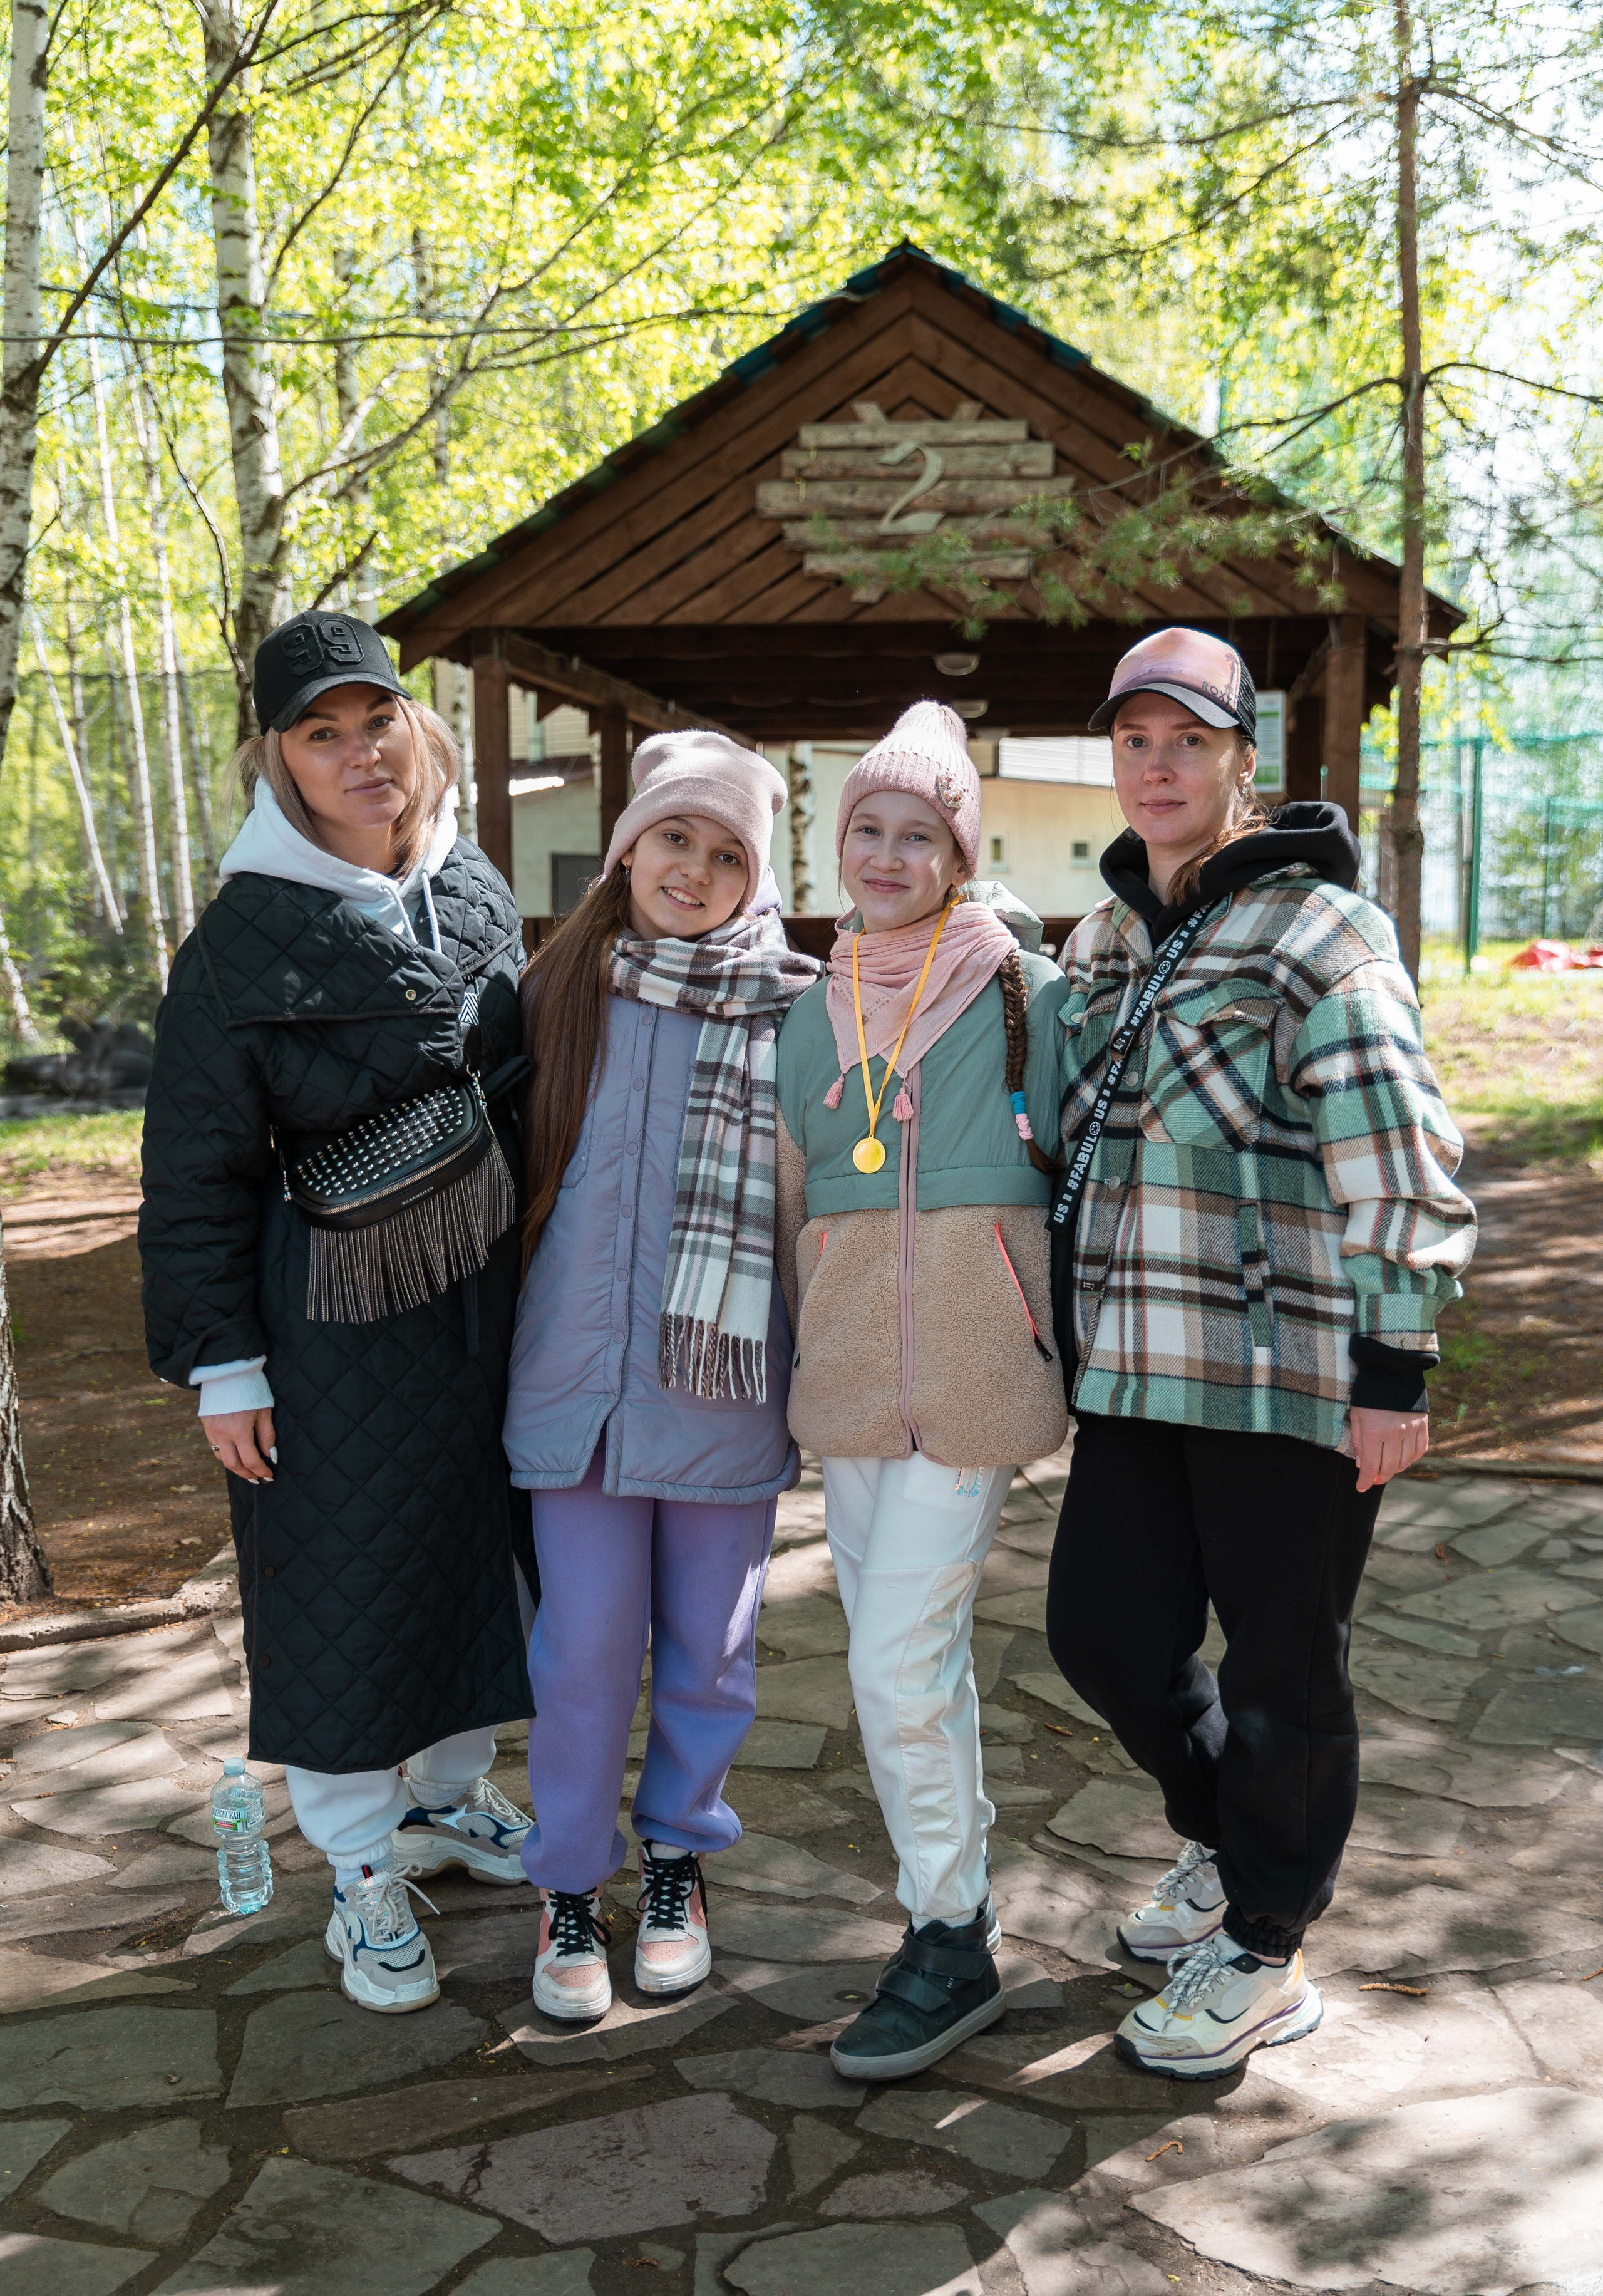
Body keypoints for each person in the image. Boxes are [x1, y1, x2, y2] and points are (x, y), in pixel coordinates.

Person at [1044, 627, 1477, 2079]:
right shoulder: (1105, 935)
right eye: (1131, 741)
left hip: (1285, 1375)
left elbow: (1403, 1154)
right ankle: (1223, 1843)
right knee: (1099, 1634)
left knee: (1287, 1671)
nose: (1155, 767)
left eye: (1186, 741)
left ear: (1244, 759)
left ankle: (1264, 1942)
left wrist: (1393, 1365)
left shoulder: (1317, 933)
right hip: (1133, 1368)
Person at [140, 611, 535, 2016]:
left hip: (484, 1303)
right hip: (324, 1326)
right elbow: (191, 1166)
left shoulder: (471, 881)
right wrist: (222, 1365)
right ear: (278, 758)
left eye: (379, 720)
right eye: (324, 732)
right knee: (344, 1578)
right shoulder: (239, 941)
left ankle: (449, 1798)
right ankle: (361, 1871)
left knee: (473, 1554)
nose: (361, 752)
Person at [773, 701, 1070, 2082]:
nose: (888, 854)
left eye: (917, 833)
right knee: (911, 1669)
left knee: (891, 1662)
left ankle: (947, 1931)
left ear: (957, 851)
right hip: (846, 1385)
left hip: (969, 1374)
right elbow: (790, 1206)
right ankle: (947, 1918)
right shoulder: (804, 1013)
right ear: (839, 844)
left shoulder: (1029, 994)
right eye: (867, 829)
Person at [503, 732, 820, 2021]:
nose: (694, 870)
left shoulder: (797, 1008)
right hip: (572, 1388)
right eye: (674, 839)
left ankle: (678, 1856)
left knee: (712, 1653)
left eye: (727, 852)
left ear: (757, 876)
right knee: (581, 1650)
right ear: (628, 844)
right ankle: (568, 1882)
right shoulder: (552, 990)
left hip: (723, 1384)